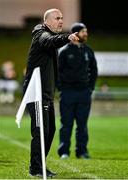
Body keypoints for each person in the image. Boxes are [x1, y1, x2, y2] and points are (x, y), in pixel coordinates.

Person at [23, 8, 79, 178]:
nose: (60, 21)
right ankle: (37, 168)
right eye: (57, 18)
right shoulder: (41, 35)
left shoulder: (48, 36)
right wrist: (67, 37)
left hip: (45, 93)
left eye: (62, 18)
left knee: (50, 130)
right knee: (40, 132)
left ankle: (38, 165)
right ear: (46, 21)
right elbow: (50, 41)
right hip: (36, 93)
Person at [57, 22, 98, 159]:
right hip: (68, 93)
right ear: (75, 34)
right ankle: (64, 151)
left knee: (82, 125)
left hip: (84, 93)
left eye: (86, 31)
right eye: (82, 31)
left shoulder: (88, 51)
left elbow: (94, 70)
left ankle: (82, 151)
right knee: (66, 124)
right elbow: (57, 71)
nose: (85, 34)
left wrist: (90, 87)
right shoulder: (64, 51)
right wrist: (61, 87)